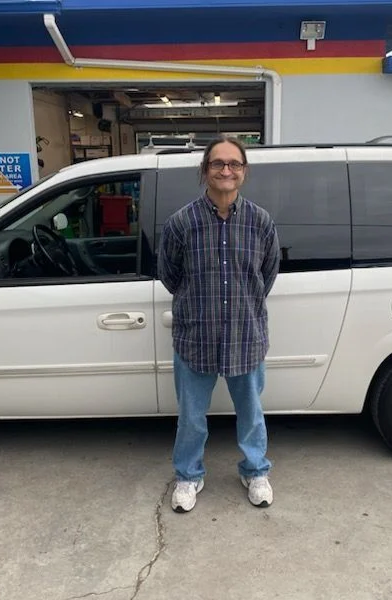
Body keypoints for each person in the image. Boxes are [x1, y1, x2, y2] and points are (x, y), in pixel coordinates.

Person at [157, 136, 281, 513]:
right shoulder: (182, 223)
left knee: (251, 413)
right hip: (196, 338)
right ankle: (188, 476)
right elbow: (170, 275)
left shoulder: (260, 222)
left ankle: (255, 470)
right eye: (217, 163)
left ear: (244, 171)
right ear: (205, 170)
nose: (226, 170)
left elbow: (267, 274)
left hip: (246, 337)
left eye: (234, 164)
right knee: (191, 418)